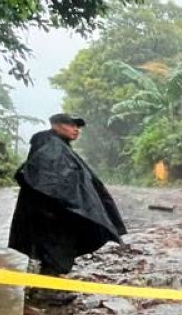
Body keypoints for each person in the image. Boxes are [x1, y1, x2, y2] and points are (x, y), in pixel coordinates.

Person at [8, 114, 127, 288]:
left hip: (53, 211)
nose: (76, 129)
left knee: (55, 247)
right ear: (55, 125)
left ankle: (48, 285)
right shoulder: (50, 145)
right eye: (71, 125)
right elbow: (49, 180)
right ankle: (47, 290)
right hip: (50, 212)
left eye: (78, 127)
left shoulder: (57, 144)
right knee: (54, 247)